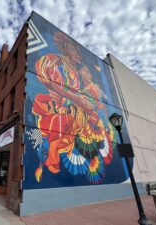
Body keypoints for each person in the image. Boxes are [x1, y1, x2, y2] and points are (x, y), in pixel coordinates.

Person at [33, 32, 114, 184]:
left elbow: (79, 94)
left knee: (94, 123)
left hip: (74, 106)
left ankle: (91, 157)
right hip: (58, 106)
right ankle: (49, 162)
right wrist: (75, 98)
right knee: (63, 127)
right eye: (73, 50)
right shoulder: (57, 61)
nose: (77, 54)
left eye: (77, 51)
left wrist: (84, 102)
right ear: (65, 50)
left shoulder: (77, 72)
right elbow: (50, 82)